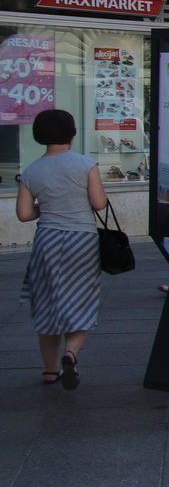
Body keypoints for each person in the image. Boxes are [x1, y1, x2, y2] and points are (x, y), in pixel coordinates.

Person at [15, 109, 109, 389]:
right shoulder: (85, 164)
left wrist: (46, 206)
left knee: (46, 303)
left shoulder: (31, 170)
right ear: (72, 133)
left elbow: (23, 214)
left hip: (47, 240)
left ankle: (49, 370)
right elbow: (99, 203)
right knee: (82, 298)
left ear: (39, 135)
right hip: (81, 239)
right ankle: (71, 353)